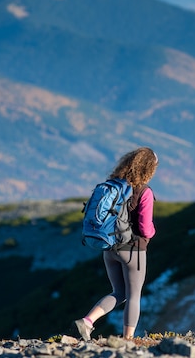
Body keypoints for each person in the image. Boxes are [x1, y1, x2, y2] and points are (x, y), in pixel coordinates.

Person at [74, 146, 159, 341]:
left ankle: (87, 322)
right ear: (149, 169)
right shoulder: (143, 192)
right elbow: (145, 228)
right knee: (133, 295)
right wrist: (153, 233)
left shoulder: (112, 186)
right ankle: (128, 339)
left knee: (118, 292)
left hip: (109, 248)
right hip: (132, 251)